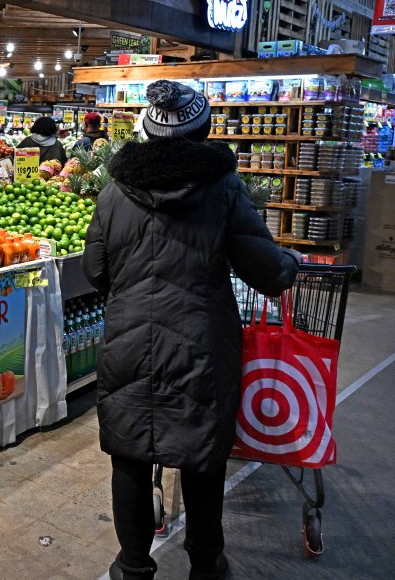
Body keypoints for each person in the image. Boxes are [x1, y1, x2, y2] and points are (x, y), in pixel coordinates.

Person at [81, 80, 301, 580]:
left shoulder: (115, 192)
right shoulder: (223, 189)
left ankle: (133, 566)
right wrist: (290, 263)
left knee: (130, 455)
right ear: (204, 131)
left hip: (128, 341)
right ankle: (206, 565)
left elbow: (96, 269)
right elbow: (263, 268)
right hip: (202, 344)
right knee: (203, 456)